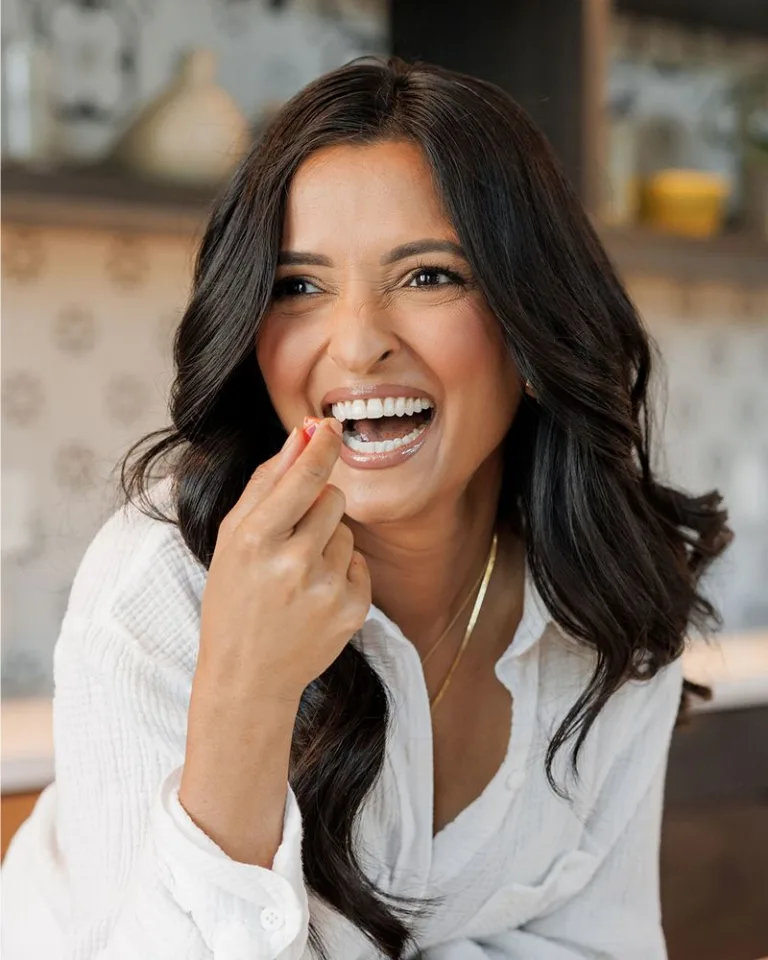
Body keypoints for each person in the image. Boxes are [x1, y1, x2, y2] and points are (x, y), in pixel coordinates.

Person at [1, 57, 731, 960]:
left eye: (428, 277)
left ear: (532, 320)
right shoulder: (159, 587)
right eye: (298, 286)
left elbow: (600, 945)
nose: (355, 344)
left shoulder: (607, 589)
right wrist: (247, 690)